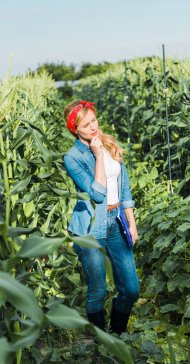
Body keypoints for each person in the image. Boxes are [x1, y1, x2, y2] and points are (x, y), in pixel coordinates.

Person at [63, 99, 139, 334]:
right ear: (75, 130)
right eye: (85, 125)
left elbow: (124, 187)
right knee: (98, 290)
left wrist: (131, 221)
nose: (93, 127)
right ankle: (100, 341)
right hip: (90, 228)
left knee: (131, 288)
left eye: (93, 120)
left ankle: (117, 334)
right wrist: (97, 155)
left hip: (117, 221)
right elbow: (96, 193)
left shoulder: (109, 143)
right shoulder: (73, 157)